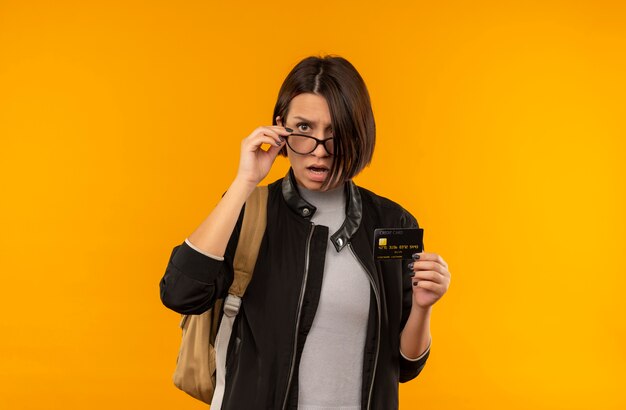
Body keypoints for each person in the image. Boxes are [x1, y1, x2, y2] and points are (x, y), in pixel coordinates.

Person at [159, 55, 451, 410]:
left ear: (358, 134)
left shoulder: (392, 223)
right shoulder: (252, 209)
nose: (319, 150)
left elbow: (405, 365)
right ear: (280, 127)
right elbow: (180, 293)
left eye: (335, 133)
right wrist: (245, 181)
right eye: (303, 129)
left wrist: (423, 307)